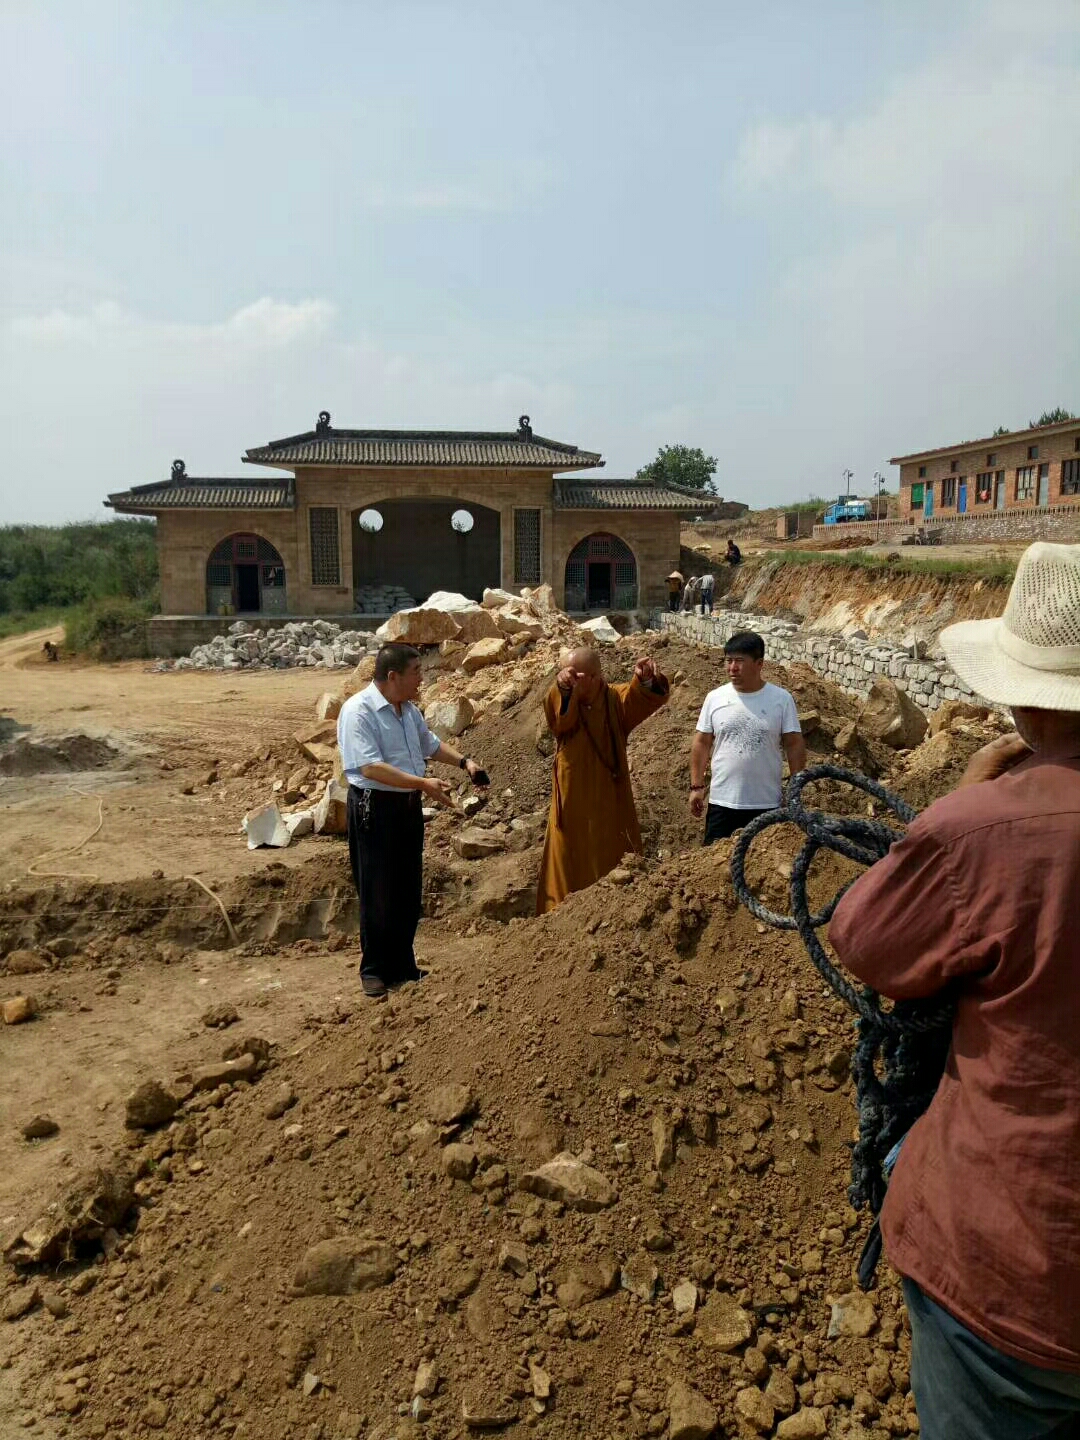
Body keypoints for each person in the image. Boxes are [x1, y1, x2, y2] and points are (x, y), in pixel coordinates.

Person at [828, 542, 1080, 1440]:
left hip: (1011, 1273)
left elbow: (865, 939)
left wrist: (947, 813)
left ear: (1019, 695)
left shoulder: (982, 829)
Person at [337, 642, 490, 999]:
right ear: (393, 676)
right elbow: (369, 766)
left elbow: (430, 744)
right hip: (374, 808)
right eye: (416, 672)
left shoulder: (408, 711)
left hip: (407, 807)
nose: (423, 678)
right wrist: (423, 783)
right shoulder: (358, 711)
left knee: (407, 890)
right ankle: (374, 971)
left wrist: (466, 762)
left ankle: (403, 965)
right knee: (377, 891)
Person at [536, 647, 669, 912]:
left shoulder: (614, 700)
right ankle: (558, 915)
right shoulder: (564, 697)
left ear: (595, 677)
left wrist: (644, 680)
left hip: (610, 799)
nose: (566, 678)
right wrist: (564, 690)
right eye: (563, 672)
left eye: (574, 674)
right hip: (572, 801)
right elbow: (559, 721)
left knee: (613, 856)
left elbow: (641, 700)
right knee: (566, 860)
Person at [689, 630, 806, 842]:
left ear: (759, 663)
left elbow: (794, 744)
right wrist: (696, 786)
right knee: (716, 866)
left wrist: (795, 790)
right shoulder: (715, 698)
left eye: (739, 661)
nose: (732, 668)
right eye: (729, 661)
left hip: (766, 803)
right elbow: (702, 742)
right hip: (722, 803)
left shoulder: (781, 700)